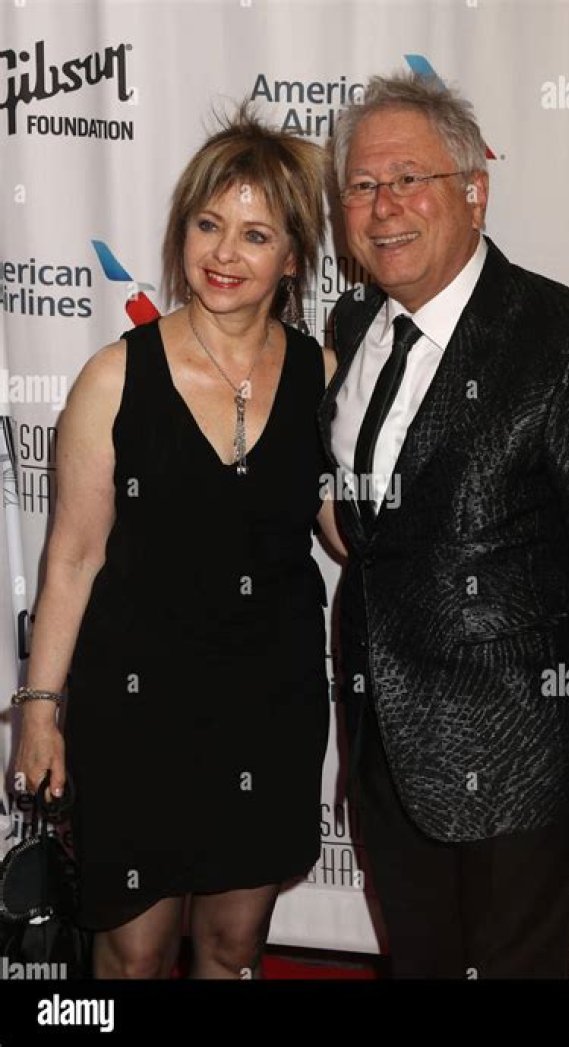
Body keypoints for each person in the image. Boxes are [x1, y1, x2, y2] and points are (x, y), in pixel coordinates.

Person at [319, 72, 569, 978]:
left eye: (411, 179)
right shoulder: (355, 319)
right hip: (385, 755)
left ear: (475, 191)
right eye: (362, 186)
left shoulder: (566, 345)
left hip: (522, 763)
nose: (384, 207)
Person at [13, 104, 345, 979]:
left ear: (293, 257)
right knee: (134, 954)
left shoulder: (324, 377)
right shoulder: (115, 376)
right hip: (136, 709)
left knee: (232, 950)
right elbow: (72, 557)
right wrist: (40, 709)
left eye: (255, 234)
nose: (224, 253)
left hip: (269, 704)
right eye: (208, 224)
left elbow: (348, 535)